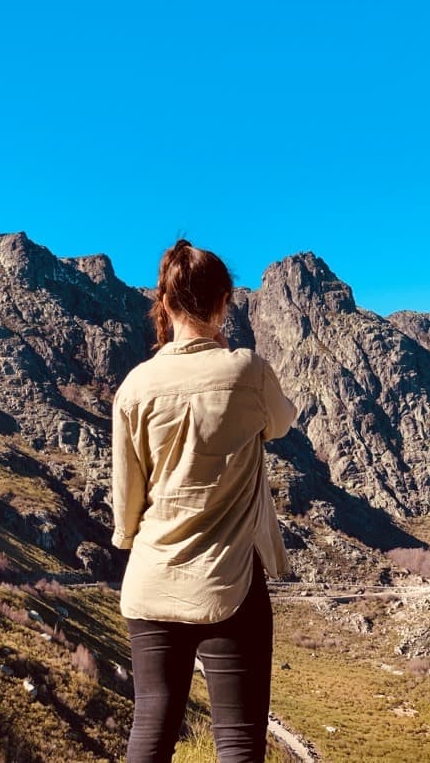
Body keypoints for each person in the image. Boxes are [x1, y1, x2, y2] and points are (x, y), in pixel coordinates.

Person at [111, 239, 297, 763]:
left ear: (164, 305)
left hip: (151, 581)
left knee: (150, 731)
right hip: (228, 583)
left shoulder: (135, 386)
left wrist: (131, 539)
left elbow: (127, 499)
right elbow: (280, 424)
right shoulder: (248, 372)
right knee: (236, 743)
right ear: (223, 305)